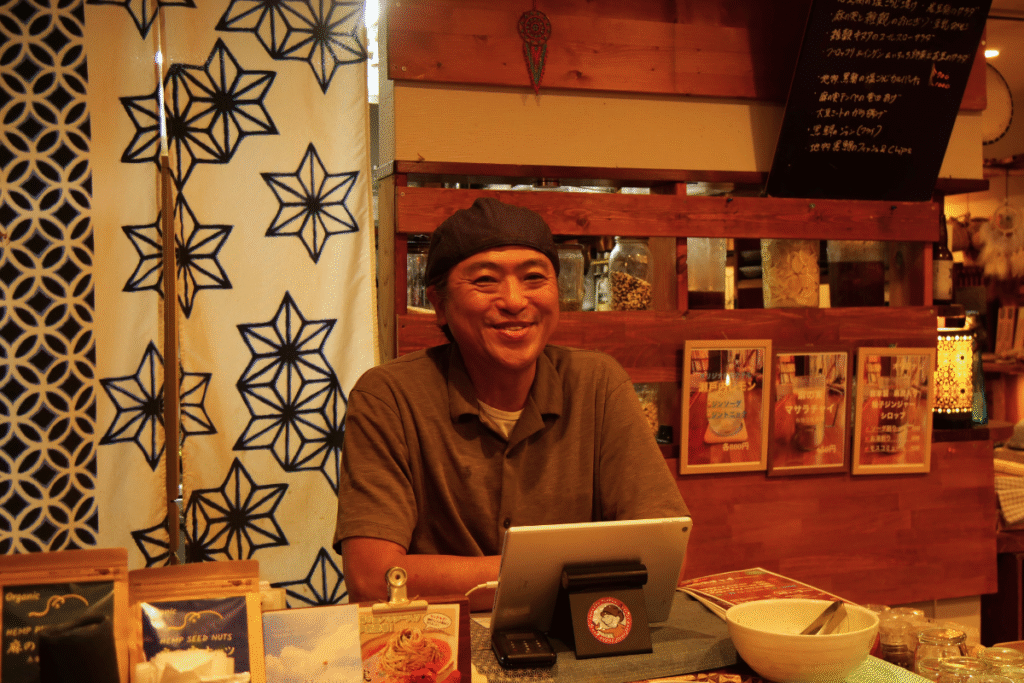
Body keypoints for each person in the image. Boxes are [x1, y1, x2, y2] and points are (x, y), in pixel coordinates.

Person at [334, 197, 688, 608]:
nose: (515, 301)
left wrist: (467, 578)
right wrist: (572, 573)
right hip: (440, 651)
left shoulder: (598, 385)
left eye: (534, 278)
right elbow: (373, 580)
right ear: (439, 304)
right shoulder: (389, 398)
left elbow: (663, 554)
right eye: (485, 281)